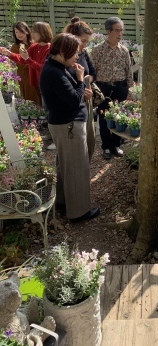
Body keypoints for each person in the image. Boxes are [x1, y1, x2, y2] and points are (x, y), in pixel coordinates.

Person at [40, 33, 99, 223]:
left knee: (66, 166)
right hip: (68, 125)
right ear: (62, 51)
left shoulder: (56, 67)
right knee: (76, 168)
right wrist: (81, 80)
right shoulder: (53, 72)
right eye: (74, 52)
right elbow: (73, 100)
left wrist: (82, 92)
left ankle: (64, 201)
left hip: (65, 123)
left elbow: (72, 95)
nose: (77, 56)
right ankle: (78, 212)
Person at [90, 17, 133, 160]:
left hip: (120, 87)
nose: (120, 34)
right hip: (104, 87)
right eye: (117, 30)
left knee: (119, 118)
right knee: (104, 118)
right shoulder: (97, 50)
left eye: (121, 30)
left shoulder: (124, 50)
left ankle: (116, 145)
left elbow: (129, 71)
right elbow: (92, 71)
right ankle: (106, 147)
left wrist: (129, 89)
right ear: (108, 31)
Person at [64, 17, 96, 160]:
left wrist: (87, 82)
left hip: (86, 98)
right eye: (82, 41)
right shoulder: (63, 57)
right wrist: (81, 81)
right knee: (77, 140)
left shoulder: (83, 53)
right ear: (73, 37)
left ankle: (85, 165)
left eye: (87, 42)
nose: (84, 45)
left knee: (89, 137)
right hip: (73, 102)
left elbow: (93, 73)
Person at [0, 22, 53, 106]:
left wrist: (28, 59)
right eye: (16, 32)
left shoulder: (50, 48)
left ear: (42, 33)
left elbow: (43, 67)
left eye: (34, 32)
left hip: (47, 83)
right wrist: (9, 53)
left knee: (47, 107)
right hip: (34, 81)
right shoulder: (34, 47)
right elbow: (22, 59)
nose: (32, 34)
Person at [9, 22, 40, 104]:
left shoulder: (35, 44)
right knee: (31, 99)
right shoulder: (15, 47)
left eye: (21, 31)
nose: (19, 34)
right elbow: (19, 62)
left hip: (38, 73)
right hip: (25, 75)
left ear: (27, 31)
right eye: (16, 32)